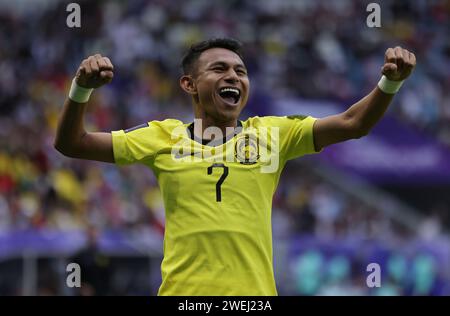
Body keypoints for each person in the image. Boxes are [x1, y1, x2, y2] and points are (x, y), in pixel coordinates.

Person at [54, 38, 416, 295]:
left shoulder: (274, 134)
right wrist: (81, 90)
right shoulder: (162, 137)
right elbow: (72, 143)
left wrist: (390, 82)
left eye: (241, 71)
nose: (234, 76)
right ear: (189, 84)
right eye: (219, 69)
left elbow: (354, 123)